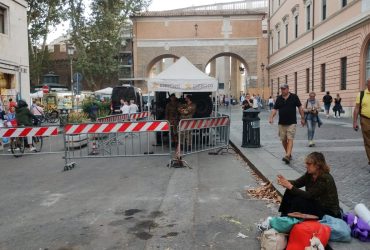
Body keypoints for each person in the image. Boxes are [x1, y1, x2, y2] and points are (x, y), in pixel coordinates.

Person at [277, 152, 341, 219]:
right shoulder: (310, 174)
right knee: (289, 191)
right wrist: (285, 182)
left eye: (309, 164)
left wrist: (289, 186)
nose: (306, 166)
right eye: (306, 163)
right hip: (316, 204)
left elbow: (309, 195)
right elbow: (297, 183)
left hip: (328, 211)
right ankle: (284, 215)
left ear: (318, 165)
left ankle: (289, 218)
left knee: (298, 200)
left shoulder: (325, 178)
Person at [269, 84, 305, 164]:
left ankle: (287, 155)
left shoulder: (294, 97)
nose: (282, 90)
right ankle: (288, 154)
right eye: (281, 89)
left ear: (288, 89)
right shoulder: (279, 98)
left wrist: (302, 118)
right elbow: (275, 109)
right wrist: (271, 117)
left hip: (292, 122)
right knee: (283, 140)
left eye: (284, 89)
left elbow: (300, 107)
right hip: (281, 123)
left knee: (290, 138)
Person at [353, 78, 370, 167]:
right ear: (367, 85)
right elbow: (356, 108)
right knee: (368, 141)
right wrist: (355, 122)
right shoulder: (361, 94)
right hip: (365, 120)